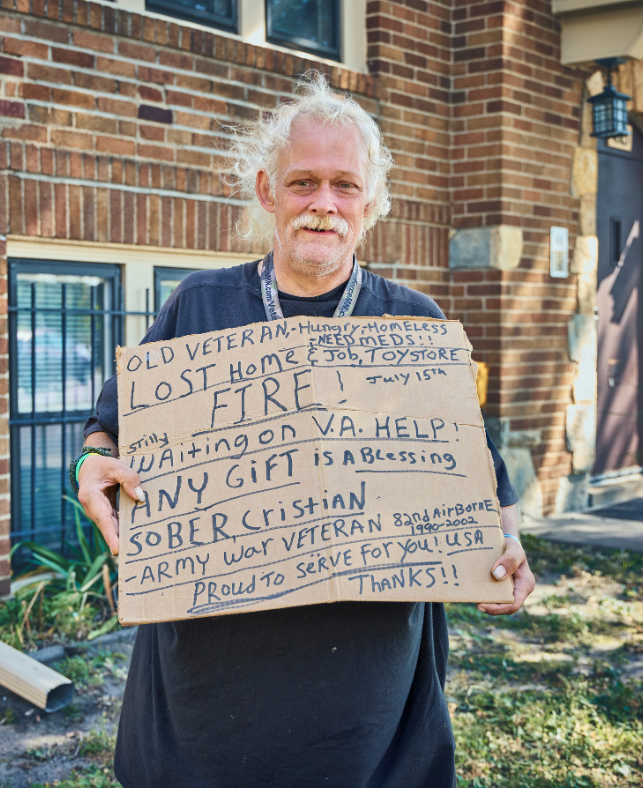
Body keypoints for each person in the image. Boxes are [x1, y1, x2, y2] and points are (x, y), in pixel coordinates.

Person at [74, 73, 536, 788]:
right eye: (303, 183)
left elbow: (479, 472)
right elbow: (108, 431)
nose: (324, 205)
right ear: (267, 191)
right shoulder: (197, 305)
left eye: (345, 185)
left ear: (373, 202)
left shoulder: (415, 322)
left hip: (367, 687)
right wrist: (91, 468)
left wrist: (505, 548)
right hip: (211, 682)